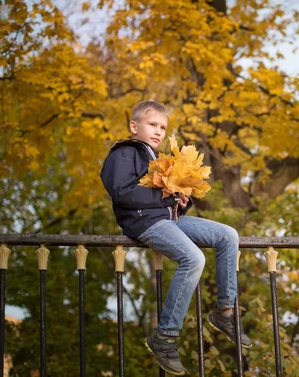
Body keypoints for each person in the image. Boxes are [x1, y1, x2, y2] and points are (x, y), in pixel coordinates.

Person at [100, 100, 251, 376]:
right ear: (134, 126)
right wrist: (164, 195)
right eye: (152, 125)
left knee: (228, 235)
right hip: (144, 222)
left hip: (171, 219)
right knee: (193, 259)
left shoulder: (156, 158)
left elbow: (168, 198)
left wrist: (181, 200)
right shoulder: (124, 154)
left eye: (162, 127)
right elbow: (122, 192)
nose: (158, 131)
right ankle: (165, 337)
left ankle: (225, 313)